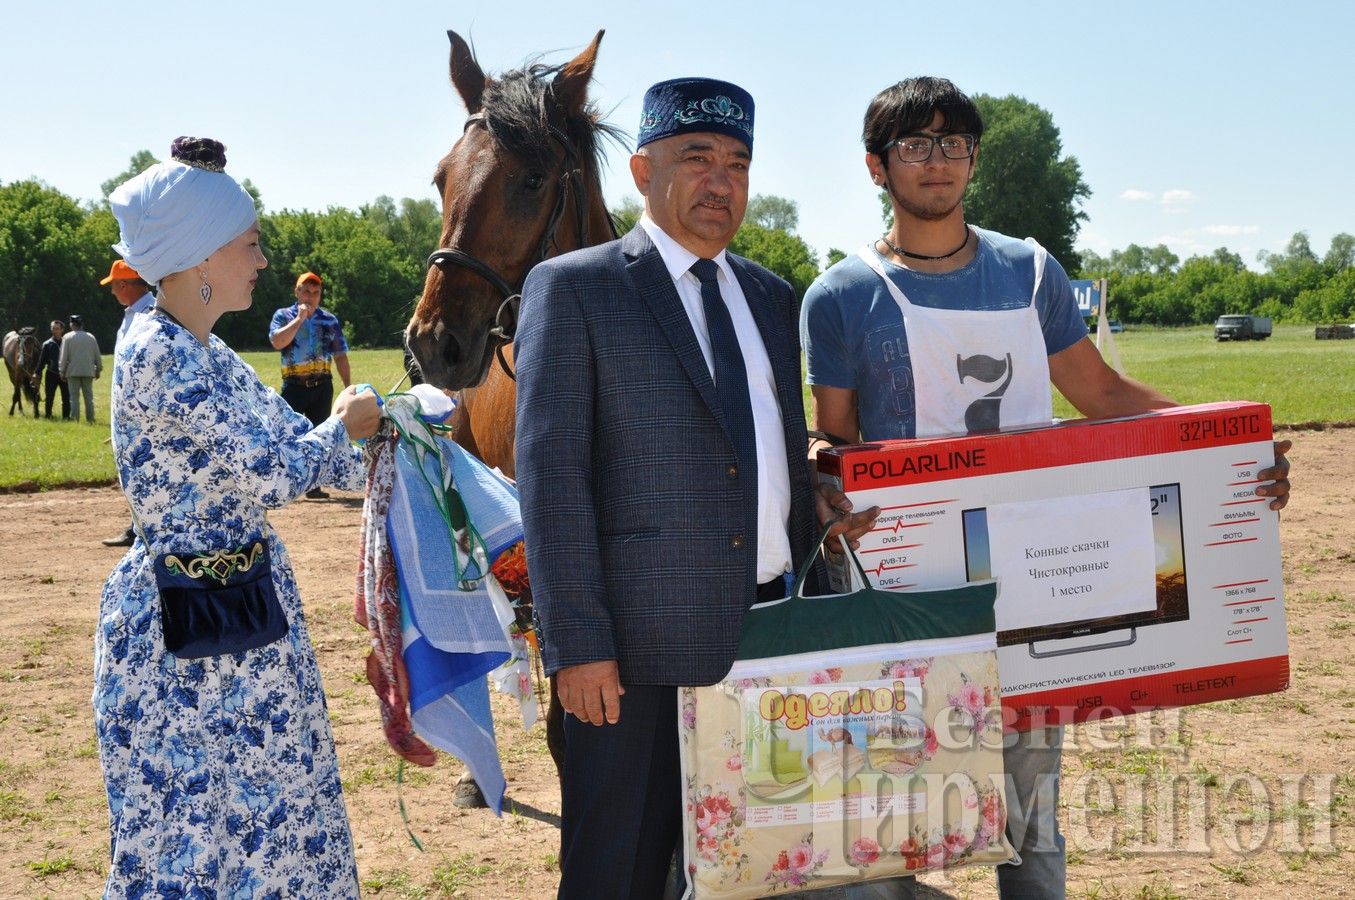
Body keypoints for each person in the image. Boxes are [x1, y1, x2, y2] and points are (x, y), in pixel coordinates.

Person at [800, 76, 1292, 900]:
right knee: (894, 824)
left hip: (1026, 578)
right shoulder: (840, 293)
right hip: (902, 584)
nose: (936, 162)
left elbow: (1104, 395)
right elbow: (834, 434)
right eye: (914, 145)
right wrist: (822, 476)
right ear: (875, 166)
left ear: (974, 159)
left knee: (1029, 823)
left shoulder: (1028, 270)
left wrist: (1233, 446)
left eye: (952, 144)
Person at [516, 78, 866, 899]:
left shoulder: (771, 298)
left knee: (758, 869)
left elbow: (756, 448)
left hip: (770, 633)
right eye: (697, 159)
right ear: (642, 171)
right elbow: (552, 476)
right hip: (632, 661)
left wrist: (811, 498)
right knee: (618, 872)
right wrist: (579, 645)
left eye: (738, 164)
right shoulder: (576, 288)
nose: (721, 182)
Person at [97, 136, 381, 898]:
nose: (261, 260)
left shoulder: (205, 348)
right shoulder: (162, 352)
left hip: (237, 616)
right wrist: (345, 426)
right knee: (198, 827)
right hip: (188, 633)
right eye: (249, 244)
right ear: (199, 258)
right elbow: (273, 471)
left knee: (273, 818)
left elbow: (294, 443)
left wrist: (398, 436)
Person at [269, 271, 352, 499]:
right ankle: (285, 484)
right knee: (288, 435)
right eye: (306, 291)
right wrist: (299, 320)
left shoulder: (329, 320)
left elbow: (340, 355)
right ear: (297, 292)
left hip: (322, 385)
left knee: (319, 436)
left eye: (315, 293)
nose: (310, 297)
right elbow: (277, 341)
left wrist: (347, 387)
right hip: (294, 385)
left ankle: (313, 485)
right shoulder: (283, 316)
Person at [100, 258, 156, 546]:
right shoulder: (134, 313)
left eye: (113, 285)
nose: (111, 292)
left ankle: (144, 530)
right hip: (128, 411)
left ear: (124, 284)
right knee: (133, 472)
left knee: (146, 471)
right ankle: (138, 528)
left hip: (144, 412)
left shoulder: (151, 314)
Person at [58, 313, 101, 423]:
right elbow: (97, 355)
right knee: (88, 398)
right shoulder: (91, 337)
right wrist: (98, 369)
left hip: (72, 372)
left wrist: (61, 371)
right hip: (88, 371)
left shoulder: (67, 337)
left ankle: (75, 419)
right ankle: (90, 419)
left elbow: (64, 356)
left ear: (72, 324)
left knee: (74, 398)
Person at [34, 319, 69, 420]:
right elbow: (42, 361)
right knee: (49, 397)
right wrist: (37, 373)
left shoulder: (67, 342)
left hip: (65, 374)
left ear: (62, 330)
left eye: (57, 329)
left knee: (66, 398)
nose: (55, 331)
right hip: (51, 374)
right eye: (53, 328)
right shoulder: (47, 344)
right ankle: (48, 415)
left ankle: (66, 417)